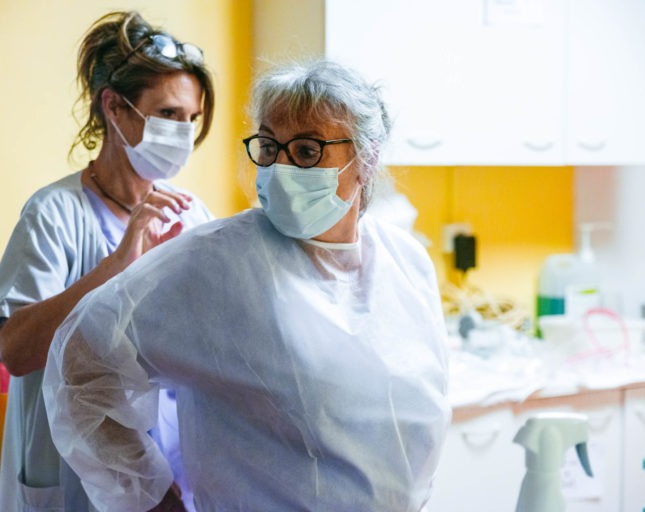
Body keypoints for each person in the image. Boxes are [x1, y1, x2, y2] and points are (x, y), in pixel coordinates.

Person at [43, 59, 450, 512]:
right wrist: (151, 498)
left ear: (366, 158)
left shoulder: (405, 261)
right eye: (270, 147)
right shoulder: (215, 263)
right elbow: (80, 363)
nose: (281, 167)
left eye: (307, 151)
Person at [0, 11, 215, 512]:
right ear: (115, 108)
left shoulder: (191, 216)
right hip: (73, 485)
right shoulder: (54, 214)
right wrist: (120, 262)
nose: (183, 133)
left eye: (190, 119)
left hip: (172, 480)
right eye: (168, 114)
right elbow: (15, 351)